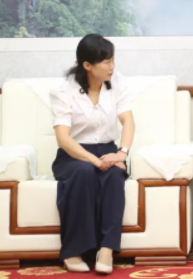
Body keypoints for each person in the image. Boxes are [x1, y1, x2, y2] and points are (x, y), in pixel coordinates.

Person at [50, 34, 134, 274]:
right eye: (106, 62)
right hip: (74, 154)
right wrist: (95, 161)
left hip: (108, 150)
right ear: (87, 65)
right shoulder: (63, 90)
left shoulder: (117, 82)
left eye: (113, 60)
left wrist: (122, 153)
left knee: (114, 177)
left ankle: (106, 249)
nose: (112, 66)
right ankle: (73, 251)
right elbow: (64, 139)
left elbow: (128, 121)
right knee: (84, 173)